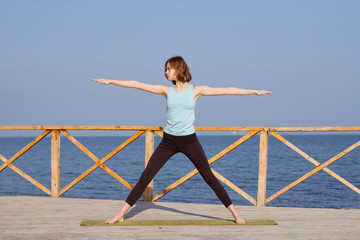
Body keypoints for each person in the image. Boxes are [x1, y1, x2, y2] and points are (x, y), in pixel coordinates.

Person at [91, 56, 273, 224]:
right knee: (146, 177)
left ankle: (235, 213)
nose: (165, 72)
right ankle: (120, 215)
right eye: (165, 69)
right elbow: (137, 84)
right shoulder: (166, 90)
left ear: (178, 69)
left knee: (208, 176)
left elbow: (227, 90)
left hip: (189, 141)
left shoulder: (196, 90)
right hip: (168, 141)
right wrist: (111, 81)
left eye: (168, 69)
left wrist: (254, 92)